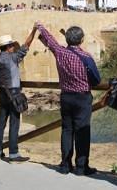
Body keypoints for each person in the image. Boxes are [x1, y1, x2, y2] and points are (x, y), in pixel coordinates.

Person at [36, 22, 97, 176]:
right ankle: (82, 167)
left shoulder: (60, 53)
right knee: (82, 132)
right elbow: (96, 78)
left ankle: (65, 164)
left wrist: (40, 27)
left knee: (67, 130)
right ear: (81, 40)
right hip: (82, 98)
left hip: (66, 97)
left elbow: (50, 41)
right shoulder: (86, 57)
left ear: (68, 39)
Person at [0, 26, 37, 162]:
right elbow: (26, 45)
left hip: (2, 93)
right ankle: (13, 154)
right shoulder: (14, 57)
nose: (13, 47)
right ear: (9, 46)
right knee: (14, 123)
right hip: (14, 93)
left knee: (1, 122)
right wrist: (34, 30)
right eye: (11, 45)